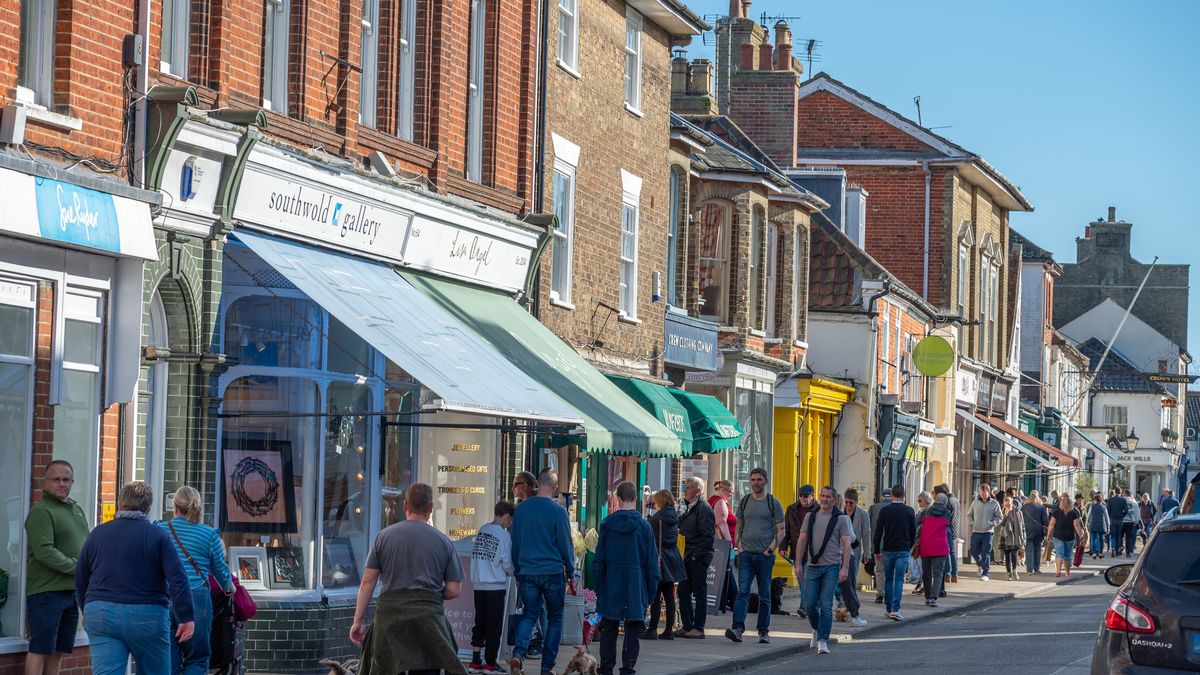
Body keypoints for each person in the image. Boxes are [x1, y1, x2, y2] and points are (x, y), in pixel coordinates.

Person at [76, 481, 195, 675]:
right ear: (148, 507)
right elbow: (178, 578)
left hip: (100, 612)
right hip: (147, 613)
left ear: (120, 503)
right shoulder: (158, 536)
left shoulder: (97, 534)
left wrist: (87, 607)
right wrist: (186, 616)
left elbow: (81, 576)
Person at [351, 482, 465, 675]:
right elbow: (454, 590)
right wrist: (429, 595)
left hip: (390, 622)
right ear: (430, 508)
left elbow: (367, 582)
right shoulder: (443, 542)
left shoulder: (383, 537)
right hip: (428, 622)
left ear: (405, 505)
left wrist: (358, 621)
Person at [158, 486, 234, 675]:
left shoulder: (160, 530)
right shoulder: (209, 535)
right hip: (196, 598)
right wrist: (229, 588)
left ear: (174, 507)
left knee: (168, 659)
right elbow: (221, 570)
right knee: (197, 659)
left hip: (165, 597)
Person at [24, 460, 90, 675]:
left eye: (66, 480)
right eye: (56, 479)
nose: (62, 484)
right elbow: (44, 551)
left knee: (59, 651)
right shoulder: (41, 511)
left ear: (72, 482)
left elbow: (86, 545)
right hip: (46, 592)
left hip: (71, 592)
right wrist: (76, 567)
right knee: (40, 649)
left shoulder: (77, 510)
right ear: (46, 482)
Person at [509, 468, 575, 675]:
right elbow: (565, 543)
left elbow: (515, 543)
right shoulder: (559, 512)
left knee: (529, 614)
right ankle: (546, 667)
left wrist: (518, 571)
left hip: (528, 571)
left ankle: (518, 654)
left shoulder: (521, 510)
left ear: (537, 483)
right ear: (555, 487)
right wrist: (571, 570)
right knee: (555, 618)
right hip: (552, 571)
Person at [593, 482, 658, 675]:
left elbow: (599, 561)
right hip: (636, 583)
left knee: (609, 628)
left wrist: (600, 588)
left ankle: (606, 668)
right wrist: (650, 592)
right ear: (636, 499)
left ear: (617, 498)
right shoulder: (645, 527)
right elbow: (652, 564)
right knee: (633, 629)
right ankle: (628, 668)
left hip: (611, 582)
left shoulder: (607, 525)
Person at [795, 486, 852, 655]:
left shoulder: (841, 518)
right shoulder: (810, 516)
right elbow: (802, 540)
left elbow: (846, 544)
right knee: (809, 604)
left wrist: (845, 567)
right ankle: (816, 628)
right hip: (812, 566)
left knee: (826, 605)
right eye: (823, 496)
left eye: (828, 497)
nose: (825, 499)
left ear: (834, 499)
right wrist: (798, 564)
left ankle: (823, 640)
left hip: (832, 566)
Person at [468, 500, 515, 675]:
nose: (510, 524)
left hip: (478, 585)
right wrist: (512, 572)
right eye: (510, 520)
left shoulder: (483, 530)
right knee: (493, 626)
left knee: (479, 623)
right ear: (507, 517)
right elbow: (507, 562)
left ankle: (475, 662)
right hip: (495, 586)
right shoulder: (504, 535)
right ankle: (490, 663)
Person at [642, 490, 685, 640]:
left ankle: (652, 629)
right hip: (673, 557)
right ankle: (668, 630)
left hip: (660, 559)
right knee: (669, 595)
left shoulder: (656, 518)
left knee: (656, 594)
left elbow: (648, 538)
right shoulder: (675, 515)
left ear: (660, 501)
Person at [676, 477, 714, 639]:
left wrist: (696, 556)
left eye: (689, 487)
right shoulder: (690, 507)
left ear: (698, 491)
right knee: (683, 591)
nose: (685, 490)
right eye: (685, 487)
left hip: (697, 556)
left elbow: (707, 536)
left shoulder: (704, 508)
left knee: (699, 592)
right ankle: (687, 625)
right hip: (687, 555)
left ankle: (699, 628)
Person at [872, 485, 916, 621]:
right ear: (904, 494)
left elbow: (878, 532)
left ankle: (888, 608)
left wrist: (876, 550)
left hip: (888, 549)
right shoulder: (909, 511)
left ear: (892, 494)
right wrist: (910, 546)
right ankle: (896, 609)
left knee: (889, 578)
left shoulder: (885, 511)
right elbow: (913, 531)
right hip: (903, 549)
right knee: (899, 579)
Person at [783, 484, 817, 617]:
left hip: (812, 551)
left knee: (806, 580)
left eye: (806, 496)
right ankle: (808, 606)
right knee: (801, 580)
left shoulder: (819, 510)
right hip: (796, 550)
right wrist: (783, 547)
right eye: (801, 496)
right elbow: (786, 530)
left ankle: (804, 607)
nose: (803, 499)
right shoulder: (791, 509)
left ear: (812, 496)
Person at [838, 488, 870, 627]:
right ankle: (844, 607)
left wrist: (867, 553)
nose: (848, 505)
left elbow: (866, 534)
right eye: (846, 502)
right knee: (843, 583)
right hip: (839, 553)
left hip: (854, 554)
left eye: (851, 503)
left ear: (856, 502)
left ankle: (848, 609)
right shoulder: (841, 514)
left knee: (850, 582)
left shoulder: (862, 515)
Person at [916, 493, 951, 607]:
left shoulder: (925, 512)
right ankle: (933, 598)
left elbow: (917, 525)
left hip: (926, 545)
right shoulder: (947, 513)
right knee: (938, 573)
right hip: (940, 546)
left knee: (926, 572)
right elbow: (948, 526)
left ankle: (927, 596)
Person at [708, 480, 738, 613]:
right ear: (723, 490)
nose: (731, 495)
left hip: (718, 543)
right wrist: (728, 542)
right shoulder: (720, 502)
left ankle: (728, 601)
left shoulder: (713, 500)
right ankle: (733, 601)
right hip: (721, 544)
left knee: (725, 573)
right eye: (730, 492)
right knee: (725, 572)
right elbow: (720, 523)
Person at [966, 484, 1002, 582]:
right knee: (974, 551)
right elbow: (969, 514)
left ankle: (986, 574)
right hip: (976, 531)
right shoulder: (975, 502)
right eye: (981, 492)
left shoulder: (994, 503)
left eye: (985, 492)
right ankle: (980, 565)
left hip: (988, 532)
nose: (983, 494)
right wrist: (972, 523)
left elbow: (999, 517)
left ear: (989, 492)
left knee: (985, 553)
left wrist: (993, 524)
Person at [1046, 495, 1084, 579]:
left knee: (1059, 553)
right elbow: (1077, 525)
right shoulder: (1073, 513)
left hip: (1058, 535)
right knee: (1068, 555)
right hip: (1069, 536)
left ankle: (1058, 571)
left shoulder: (1056, 512)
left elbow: (1051, 524)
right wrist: (1080, 536)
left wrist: (1048, 534)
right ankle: (1067, 572)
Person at [933, 484, 961, 584]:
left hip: (947, 529)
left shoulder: (947, 502)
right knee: (952, 553)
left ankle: (947, 575)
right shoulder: (956, 500)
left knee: (947, 552)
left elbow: (945, 516)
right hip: (954, 528)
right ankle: (954, 575)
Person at [868, 488, 891, 602]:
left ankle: (880, 593)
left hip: (878, 545)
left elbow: (868, 528)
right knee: (891, 572)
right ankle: (889, 594)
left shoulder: (873, 508)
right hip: (892, 546)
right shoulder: (896, 508)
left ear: (881, 496)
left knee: (880, 570)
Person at [996, 495, 1026, 581]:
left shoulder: (1018, 512)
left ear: (1012, 503)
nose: (1007, 506)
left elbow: (1022, 525)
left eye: (1008, 504)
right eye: (1005, 505)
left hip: (1016, 536)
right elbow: (1000, 524)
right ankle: (1009, 574)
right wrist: (1005, 515)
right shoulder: (1002, 512)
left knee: (1014, 554)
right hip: (1006, 536)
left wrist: (1024, 537)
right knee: (1007, 556)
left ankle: (1014, 570)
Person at [1020, 492, 1049, 574]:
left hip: (1027, 530)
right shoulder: (1041, 507)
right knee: (1037, 549)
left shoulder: (1024, 507)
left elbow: (1021, 520)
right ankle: (1036, 569)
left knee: (1029, 550)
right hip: (1038, 531)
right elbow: (1046, 522)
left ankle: (1029, 570)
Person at [1104, 488, 1129, 556]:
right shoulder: (1123, 500)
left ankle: (1113, 547)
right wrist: (1122, 515)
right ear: (1120, 492)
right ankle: (1117, 550)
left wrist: (1110, 517)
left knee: (1113, 535)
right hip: (1120, 519)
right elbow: (1126, 510)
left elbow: (1108, 510)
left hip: (1112, 519)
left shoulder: (1110, 500)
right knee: (1118, 535)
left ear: (1115, 492)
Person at [1087, 493, 1110, 559]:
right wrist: (1108, 526)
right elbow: (1107, 517)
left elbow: (1088, 516)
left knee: (1093, 539)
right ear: (1101, 500)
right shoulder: (1104, 507)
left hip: (1093, 524)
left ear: (1095, 500)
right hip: (1101, 525)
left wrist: (1087, 523)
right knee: (1101, 539)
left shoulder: (1092, 506)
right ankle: (1101, 553)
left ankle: (1094, 553)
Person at [1121, 489, 1139, 557]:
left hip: (1122, 521)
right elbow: (1137, 513)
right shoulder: (1134, 502)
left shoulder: (1121, 501)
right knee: (1128, 537)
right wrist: (1136, 521)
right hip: (1131, 521)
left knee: (1120, 536)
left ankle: (1120, 547)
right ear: (1131, 494)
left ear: (1125, 494)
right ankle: (1128, 552)